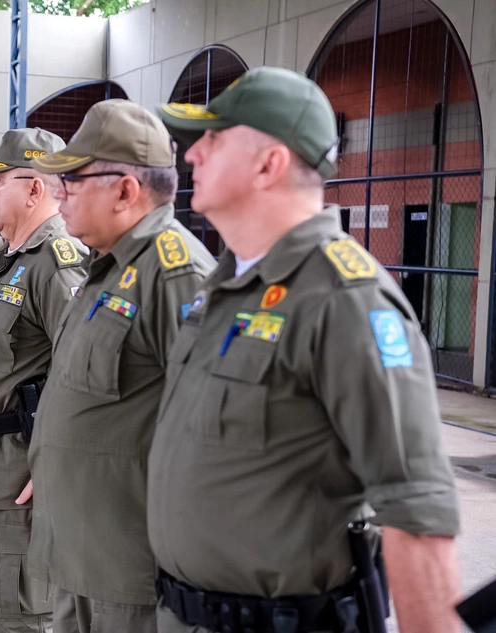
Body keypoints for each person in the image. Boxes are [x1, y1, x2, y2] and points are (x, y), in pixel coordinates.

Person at [150, 66, 462, 633]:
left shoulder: (344, 298)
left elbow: (416, 506)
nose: (191, 156)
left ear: (269, 163)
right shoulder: (223, 289)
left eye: (213, 139)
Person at [26, 100, 216, 633]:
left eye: (75, 180)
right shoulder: (106, 268)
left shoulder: (176, 273)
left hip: (128, 573)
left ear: (126, 190)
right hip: (79, 555)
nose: (61, 195)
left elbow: (208, 434)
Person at [0, 127, 85, 633]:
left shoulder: (55, 264)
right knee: (3, 608)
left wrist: (55, 466)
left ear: (34, 189)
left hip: (22, 476)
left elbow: (83, 374)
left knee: (23, 617)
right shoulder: (15, 264)